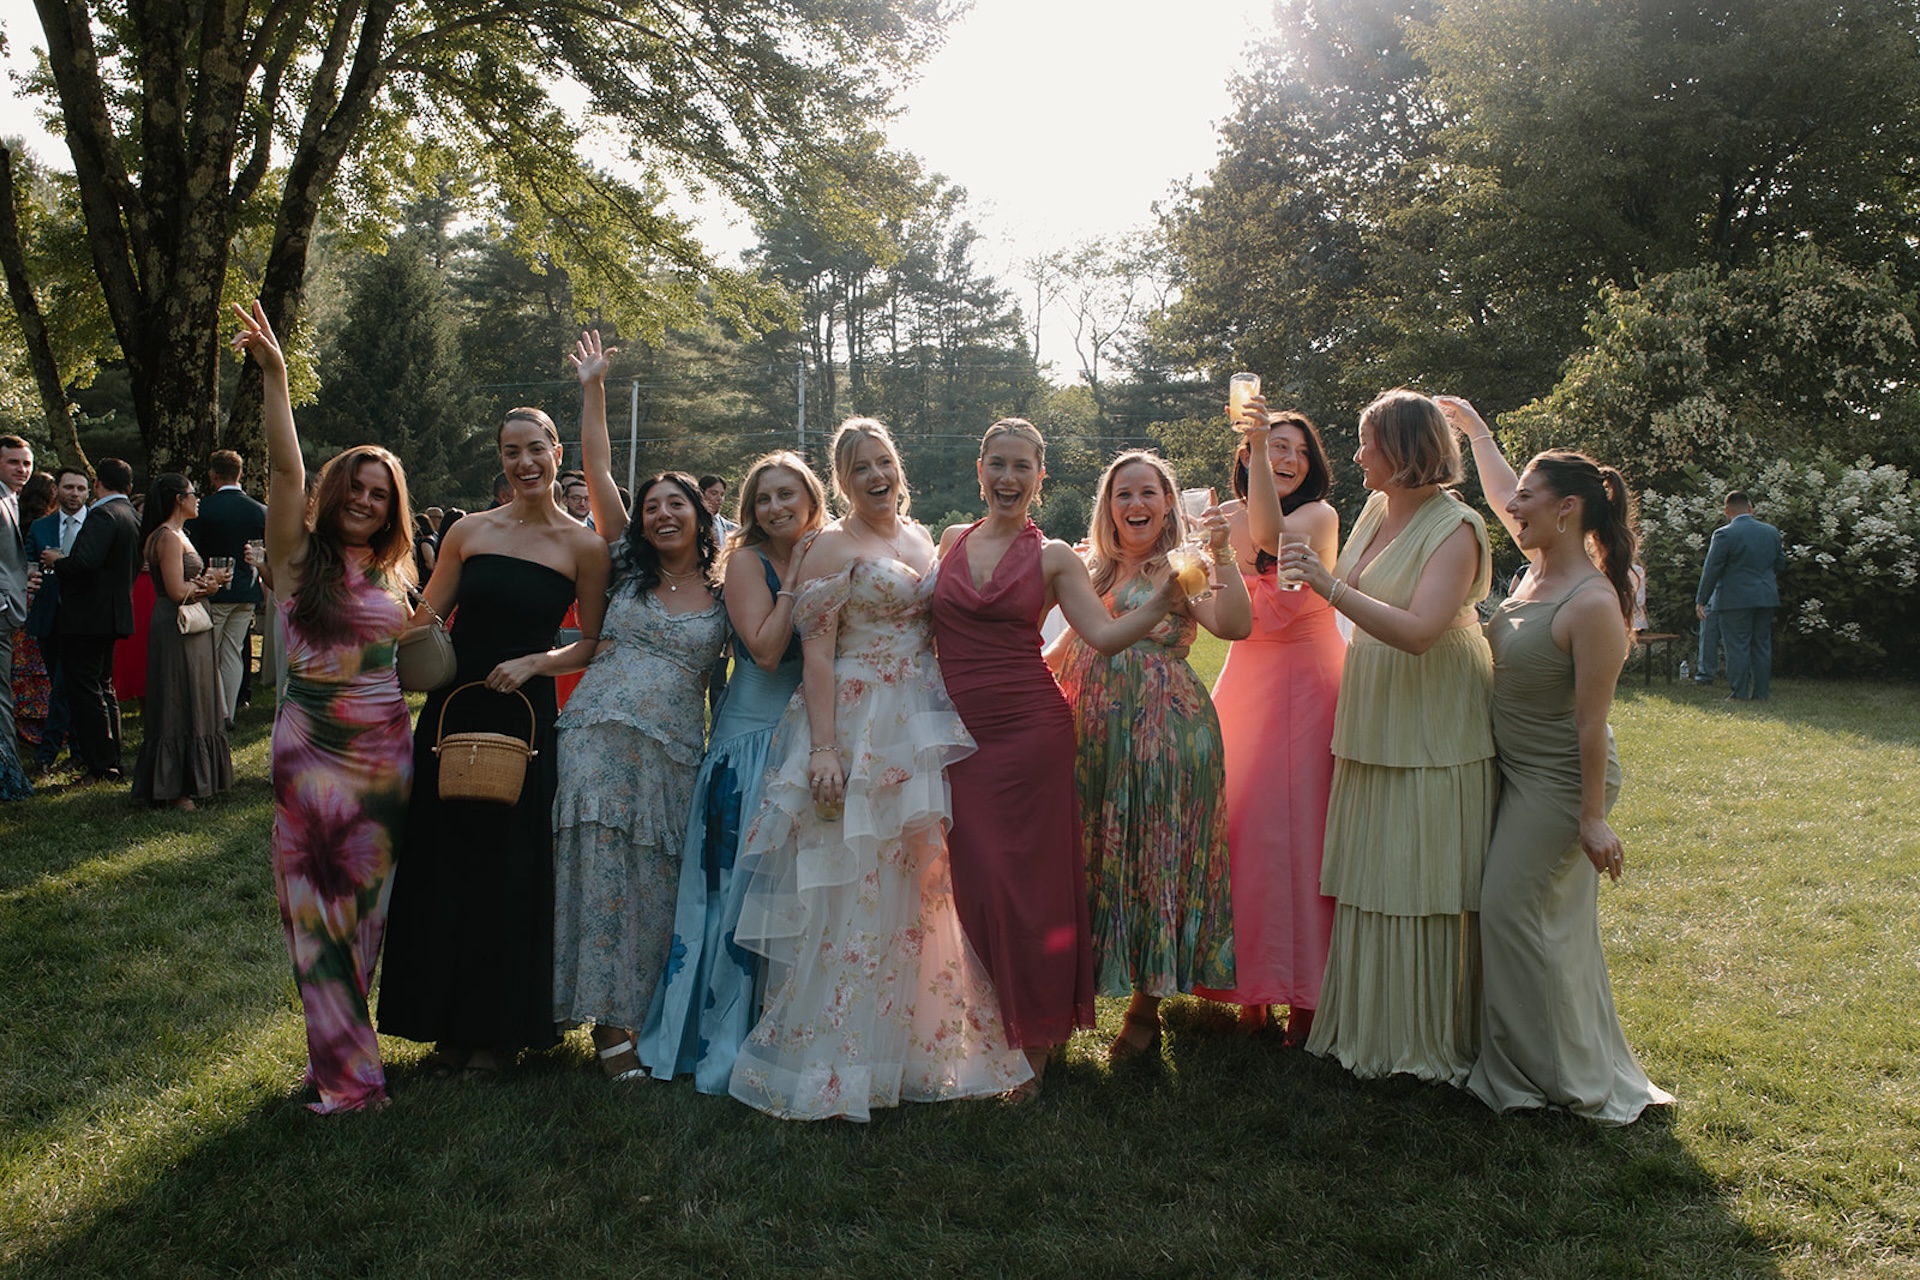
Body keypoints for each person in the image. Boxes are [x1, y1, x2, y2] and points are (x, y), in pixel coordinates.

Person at [729, 417, 1031, 1120]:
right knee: (854, 885)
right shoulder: (832, 544)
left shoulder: (920, 537)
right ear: (841, 480)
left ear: (899, 465)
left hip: (913, 726)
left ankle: (909, 1050)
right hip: (856, 727)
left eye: (882, 461)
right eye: (858, 467)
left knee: (917, 884)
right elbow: (820, 651)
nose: (875, 475)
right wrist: (826, 750)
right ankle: (837, 1062)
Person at [932, 421, 1183, 1096]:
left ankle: (1037, 1045)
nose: (1009, 478)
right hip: (956, 737)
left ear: (1041, 477)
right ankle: (986, 1028)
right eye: (999, 465)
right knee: (974, 885)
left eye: (1024, 467)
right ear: (978, 468)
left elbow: (1101, 636)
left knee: (1028, 889)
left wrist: (1164, 597)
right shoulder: (951, 541)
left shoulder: (1054, 558)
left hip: (1030, 734)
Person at [1448, 398, 1676, 1122]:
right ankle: (1561, 1060)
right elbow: (1501, 492)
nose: (1511, 506)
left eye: (1526, 498)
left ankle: (1553, 1078)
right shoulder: (1536, 569)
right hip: (1520, 772)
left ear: (1568, 509)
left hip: (1563, 781)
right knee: (1548, 924)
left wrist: (1591, 819)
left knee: (1512, 909)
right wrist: (1478, 434)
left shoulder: (1590, 602)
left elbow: (1591, 724)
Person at [379, 397, 611, 1077]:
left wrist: (540, 661)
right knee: (444, 864)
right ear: (501, 461)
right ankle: (442, 1026)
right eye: (511, 452)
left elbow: (592, 642)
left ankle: (499, 1031)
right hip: (454, 709)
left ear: (556, 454)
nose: (524, 462)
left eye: (535, 449)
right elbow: (425, 615)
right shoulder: (468, 532)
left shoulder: (583, 545)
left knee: (512, 873)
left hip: (528, 714)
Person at [235, 300, 419, 1113]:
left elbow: (413, 656)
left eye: (382, 494)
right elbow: (282, 474)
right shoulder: (296, 554)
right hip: (310, 751)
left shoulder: (397, 574)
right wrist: (276, 376)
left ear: (392, 506)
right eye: (359, 485)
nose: (368, 501)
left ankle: (335, 1052)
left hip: (387, 753)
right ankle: (351, 1083)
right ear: (337, 487)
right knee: (315, 910)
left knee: (366, 915)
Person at [1281, 389, 1495, 1086]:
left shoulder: (1456, 528)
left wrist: (1326, 589)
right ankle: (1369, 1022)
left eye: (1368, 441)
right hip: (1374, 702)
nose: (1356, 454)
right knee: (1376, 865)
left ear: (1403, 451)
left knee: (1422, 865)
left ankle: (1424, 1034)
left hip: (1432, 707)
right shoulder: (1376, 508)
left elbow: (1422, 630)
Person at [549, 333, 730, 1083]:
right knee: (600, 875)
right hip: (598, 736)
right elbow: (595, 470)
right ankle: (607, 1026)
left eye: (674, 504)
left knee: (659, 879)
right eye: (651, 505)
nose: (661, 515)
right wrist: (593, 389)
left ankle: (652, 1007)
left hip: (677, 749)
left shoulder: (728, 589)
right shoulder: (624, 566)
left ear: (700, 514)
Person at [1049, 449, 1251, 1062]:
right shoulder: (1088, 568)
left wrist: (1222, 554)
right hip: (1091, 733)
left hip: (1166, 727)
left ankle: (1144, 1009)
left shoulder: (1183, 567)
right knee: (1088, 860)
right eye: (1123, 494)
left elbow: (1234, 627)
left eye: (1148, 493)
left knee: (1155, 856)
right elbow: (1060, 650)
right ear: (1107, 507)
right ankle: (1061, 1010)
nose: (1135, 504)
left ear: (1168, 505)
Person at [636, 449, 826, 1092]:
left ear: (811, 498)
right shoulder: (746, 562)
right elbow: (769, 653)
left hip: (816, 736)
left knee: (800, 892)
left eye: (786, 495)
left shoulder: (831, 548)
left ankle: (795, 1030)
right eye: (763, 498)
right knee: (740, 894)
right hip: (752, 745)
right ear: (749, 510)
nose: (775, 507)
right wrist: (796, 576)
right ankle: (722, 1036)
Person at [1193, 403, 1345, 1047]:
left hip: (1309, 681)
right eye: (1272, 446)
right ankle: (1249, 988)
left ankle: (1308, 996)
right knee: (1241, 828)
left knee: (1307, 836)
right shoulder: (1224, 517)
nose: (1285, 458)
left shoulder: (1318, 515)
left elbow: (1270, 539)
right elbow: (1199, 583)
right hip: (1249, 679)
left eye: (1296, 451)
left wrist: (1253, 440)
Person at [129, 473, 235, 809]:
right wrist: (209, 583)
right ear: (178, 498)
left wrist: (208, 585)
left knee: (195, 695)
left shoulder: (179, 535)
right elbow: (175, 591)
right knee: (178, 696)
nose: (198, 498)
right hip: (177, 626)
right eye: (193, 493)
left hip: (191, 625)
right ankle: (178, 789)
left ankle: (194, 780)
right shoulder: (167, 537)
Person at [43, 457, 142, 783]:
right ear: (128, 485)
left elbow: (85, 563)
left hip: (87, 615)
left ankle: (101, 763)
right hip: (113, 612)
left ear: (98, 484)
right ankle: (111, 757)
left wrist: (58, 561)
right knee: (103, 687)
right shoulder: (132, 516)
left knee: (85, 690)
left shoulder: (103, 514)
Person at [184, 448, 267, 723]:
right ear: (239, 473)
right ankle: (228, 712)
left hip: (214, 591)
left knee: (211, 653)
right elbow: (263, 553)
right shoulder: (259, 511)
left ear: (213, 474)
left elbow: (192, 554)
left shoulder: (203, 509)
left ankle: (217, 711)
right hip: (247, 590)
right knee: (233, 653)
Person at [23, 465, 90, 771]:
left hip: (85, 619)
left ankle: (46, 754)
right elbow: (28, 564)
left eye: (80, 489)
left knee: (64, 686)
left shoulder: (97, 526)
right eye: (68, 488)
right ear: (58, 491)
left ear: (88, 492)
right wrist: (31, 574)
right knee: (60, 685)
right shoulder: (40, 528)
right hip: (48, 616)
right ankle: (77, 750)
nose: (74, 494)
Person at [1695, 490, 1784, 701]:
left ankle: (1739, 693)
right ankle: (1761, 693)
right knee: (1761, 645)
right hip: (1765, 595)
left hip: (1734, 598)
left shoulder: (1724, 534)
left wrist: (1702, 599)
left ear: (1727, 511)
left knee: (1737, 646)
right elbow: (1780, 563)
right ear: (1751, 508)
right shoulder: (1771, 532)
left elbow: (1712, 569)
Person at [0, 436, 34, 799]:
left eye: (26, 463)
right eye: (14, 462)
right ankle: (8, 780)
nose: (22, 469)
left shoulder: (12, 499)